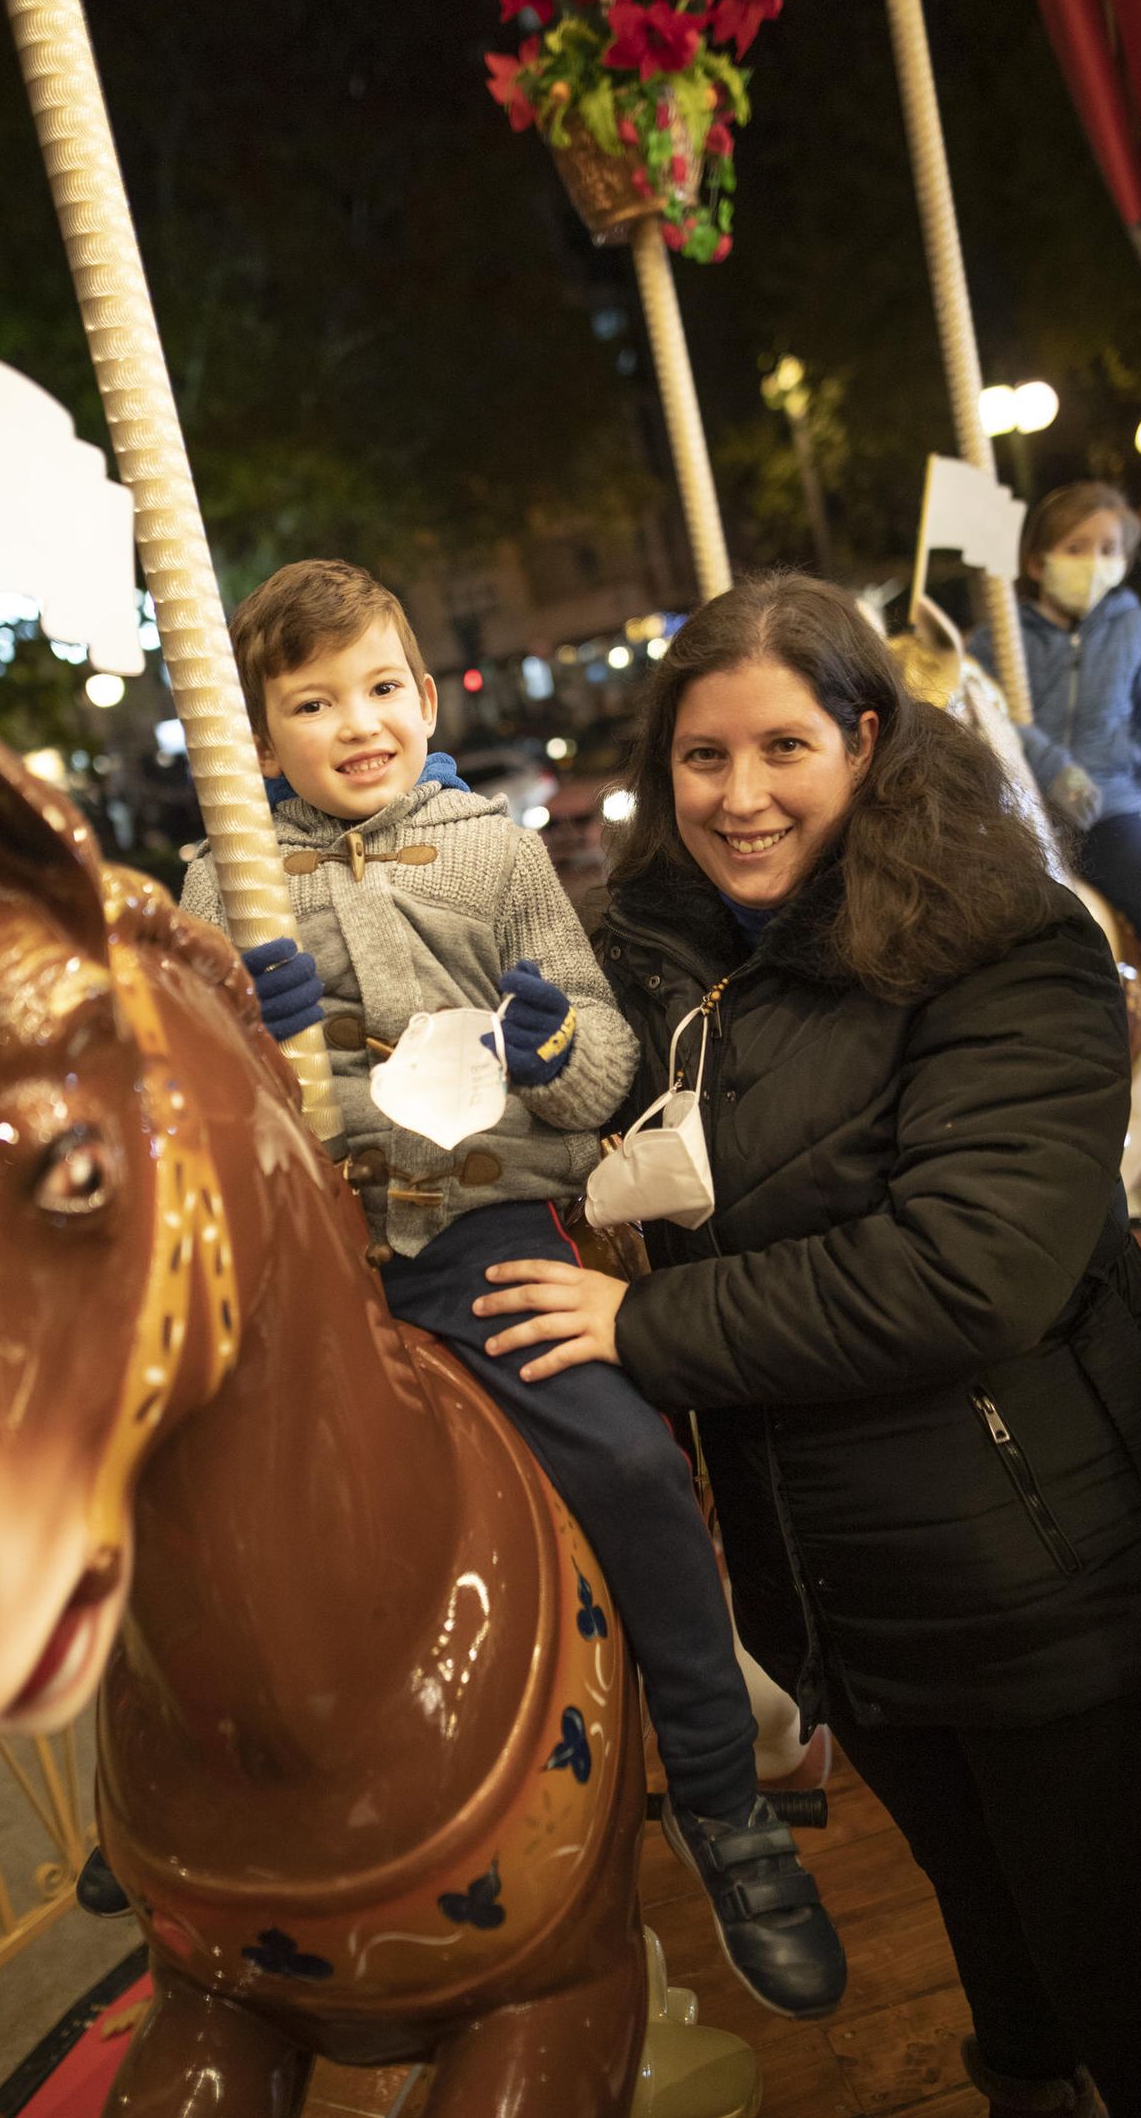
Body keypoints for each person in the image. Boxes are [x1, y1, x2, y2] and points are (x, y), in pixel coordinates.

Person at [475, 573, 1141, 2118]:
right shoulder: (669, 976)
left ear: (869, 738)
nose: (740, 793)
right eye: (702, 755)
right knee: (992, 1919)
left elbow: (973, 1271)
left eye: (782, 745)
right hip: (851, 1585)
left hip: (1062, 1579)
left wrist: (646, 1330)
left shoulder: (1008, 942)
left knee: (1128, 1978)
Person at [179, 557, 845, 2016]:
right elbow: (197, 1109)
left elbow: (611, 1069)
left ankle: (726, 1796)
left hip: (475, 1226)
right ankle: (175, 1776)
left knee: (625, 1458)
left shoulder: (491, 849)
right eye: (312, 702)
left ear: (424, 696)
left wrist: (551, 1045)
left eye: (379, 689)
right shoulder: (220, 878)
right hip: (315, 1250)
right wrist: (241, 1033)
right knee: (161, 1458)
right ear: (255, 733)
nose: (358, 724)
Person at [971, 481, 1141, 1097]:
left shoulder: (1140, 634)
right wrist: (1046, 763)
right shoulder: (998, 639)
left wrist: (1122, 792)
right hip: (1021, 805)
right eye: (1077, 547)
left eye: (1108, 548)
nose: (1094, 562)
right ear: (1038, 561)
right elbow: (986, 712)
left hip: (1108, 810)